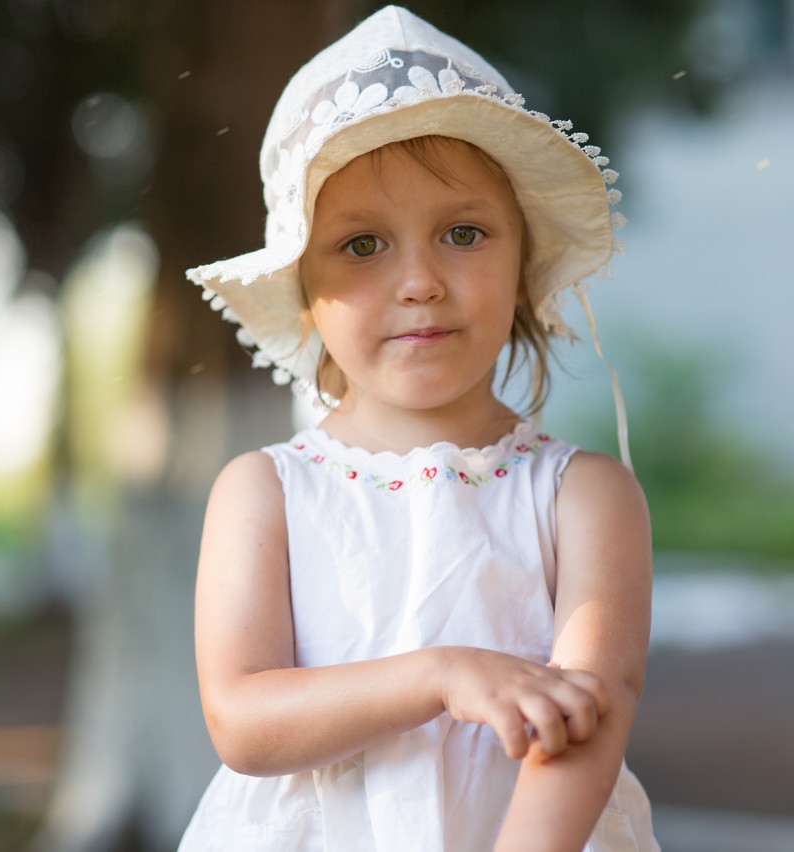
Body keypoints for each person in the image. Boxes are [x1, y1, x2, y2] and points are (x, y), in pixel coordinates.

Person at [179, 6, 658, 850]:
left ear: (522, 264)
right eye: (362, 245)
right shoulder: (267, 492)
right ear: (303, 287)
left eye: (463, 234)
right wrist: (438, 675)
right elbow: (242, 720)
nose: (420, 282)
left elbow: (593, 706)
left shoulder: (583, 495)